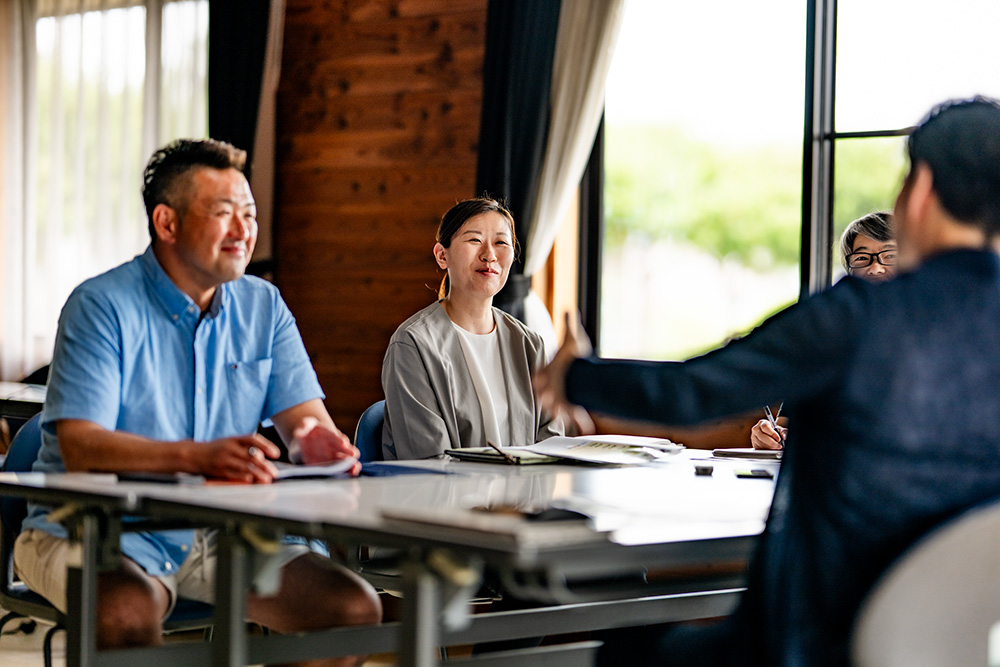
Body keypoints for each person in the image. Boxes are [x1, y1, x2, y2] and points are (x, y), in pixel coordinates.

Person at [536, 96, 1000, 666]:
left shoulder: (858, 317)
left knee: (626, 653)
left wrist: (577, 375)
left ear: (920, 189)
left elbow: (695, 391)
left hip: (808, 644)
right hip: (957, 649)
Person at [13, 139, 381, 661]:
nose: (244, 230)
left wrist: (315, 441)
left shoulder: (263, 305)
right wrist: (197, 457)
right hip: (93, 527)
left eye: (249, 214)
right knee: (124, 612)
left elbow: (304, 422)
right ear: (167, 224)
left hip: (223, 530)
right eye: (224, 213)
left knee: (350, 610)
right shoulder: (100, 305)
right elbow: (82, 448)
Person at [381, 197, 562, 460]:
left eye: (501, 242)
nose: (489, 255)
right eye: (474, 240)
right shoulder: (413, 344)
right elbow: (429, 461)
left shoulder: (530, 344)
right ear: (442, 256)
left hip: (525, 499)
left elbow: (552, 444)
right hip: (446, 498)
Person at [750, 211, 897, 449]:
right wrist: (770, 436)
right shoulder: (828, 340)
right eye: (862, 259)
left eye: (889, 256)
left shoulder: (937, 337)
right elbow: (787, 425)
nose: (876, 268)